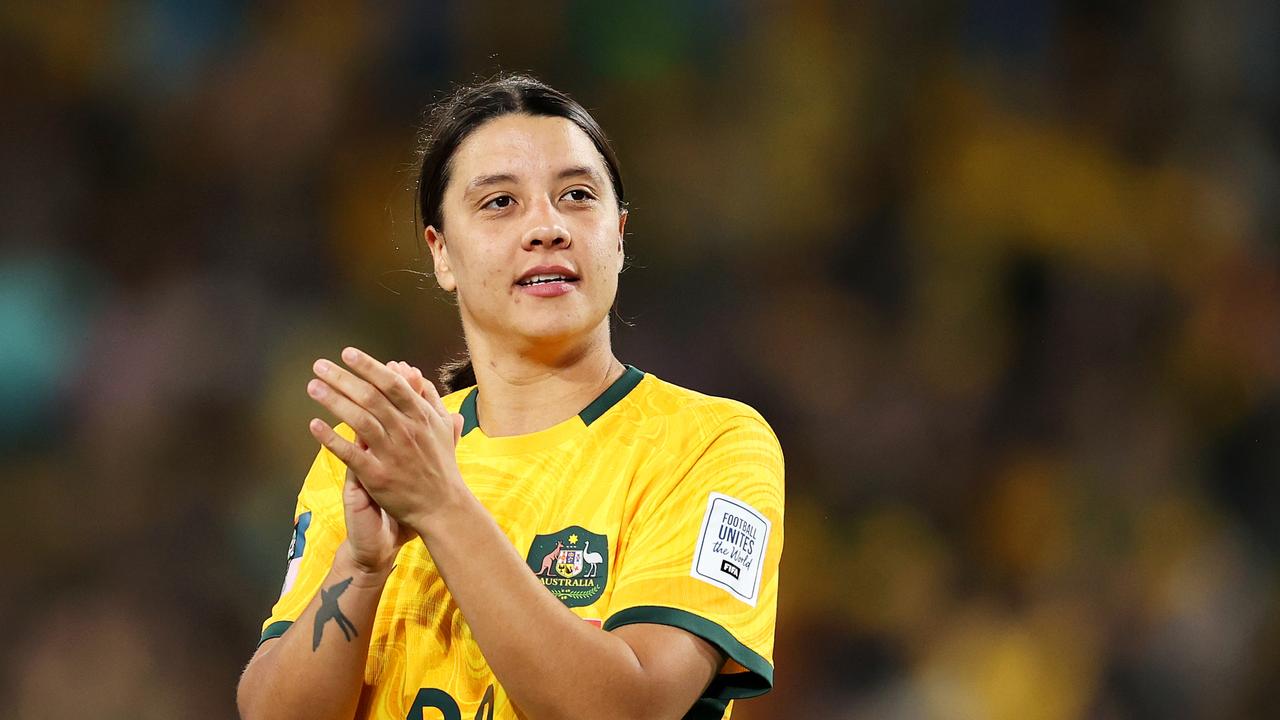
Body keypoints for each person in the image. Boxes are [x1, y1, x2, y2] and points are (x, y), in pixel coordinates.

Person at [236, 73, 784, 720]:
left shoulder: (710, 444)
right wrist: (359, 567)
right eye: (499, 203)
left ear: (619, 235)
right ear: (441, 253)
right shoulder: (383, 456)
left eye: (578, 195)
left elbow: (630, 709)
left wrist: (440, 505)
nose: (547, 227)